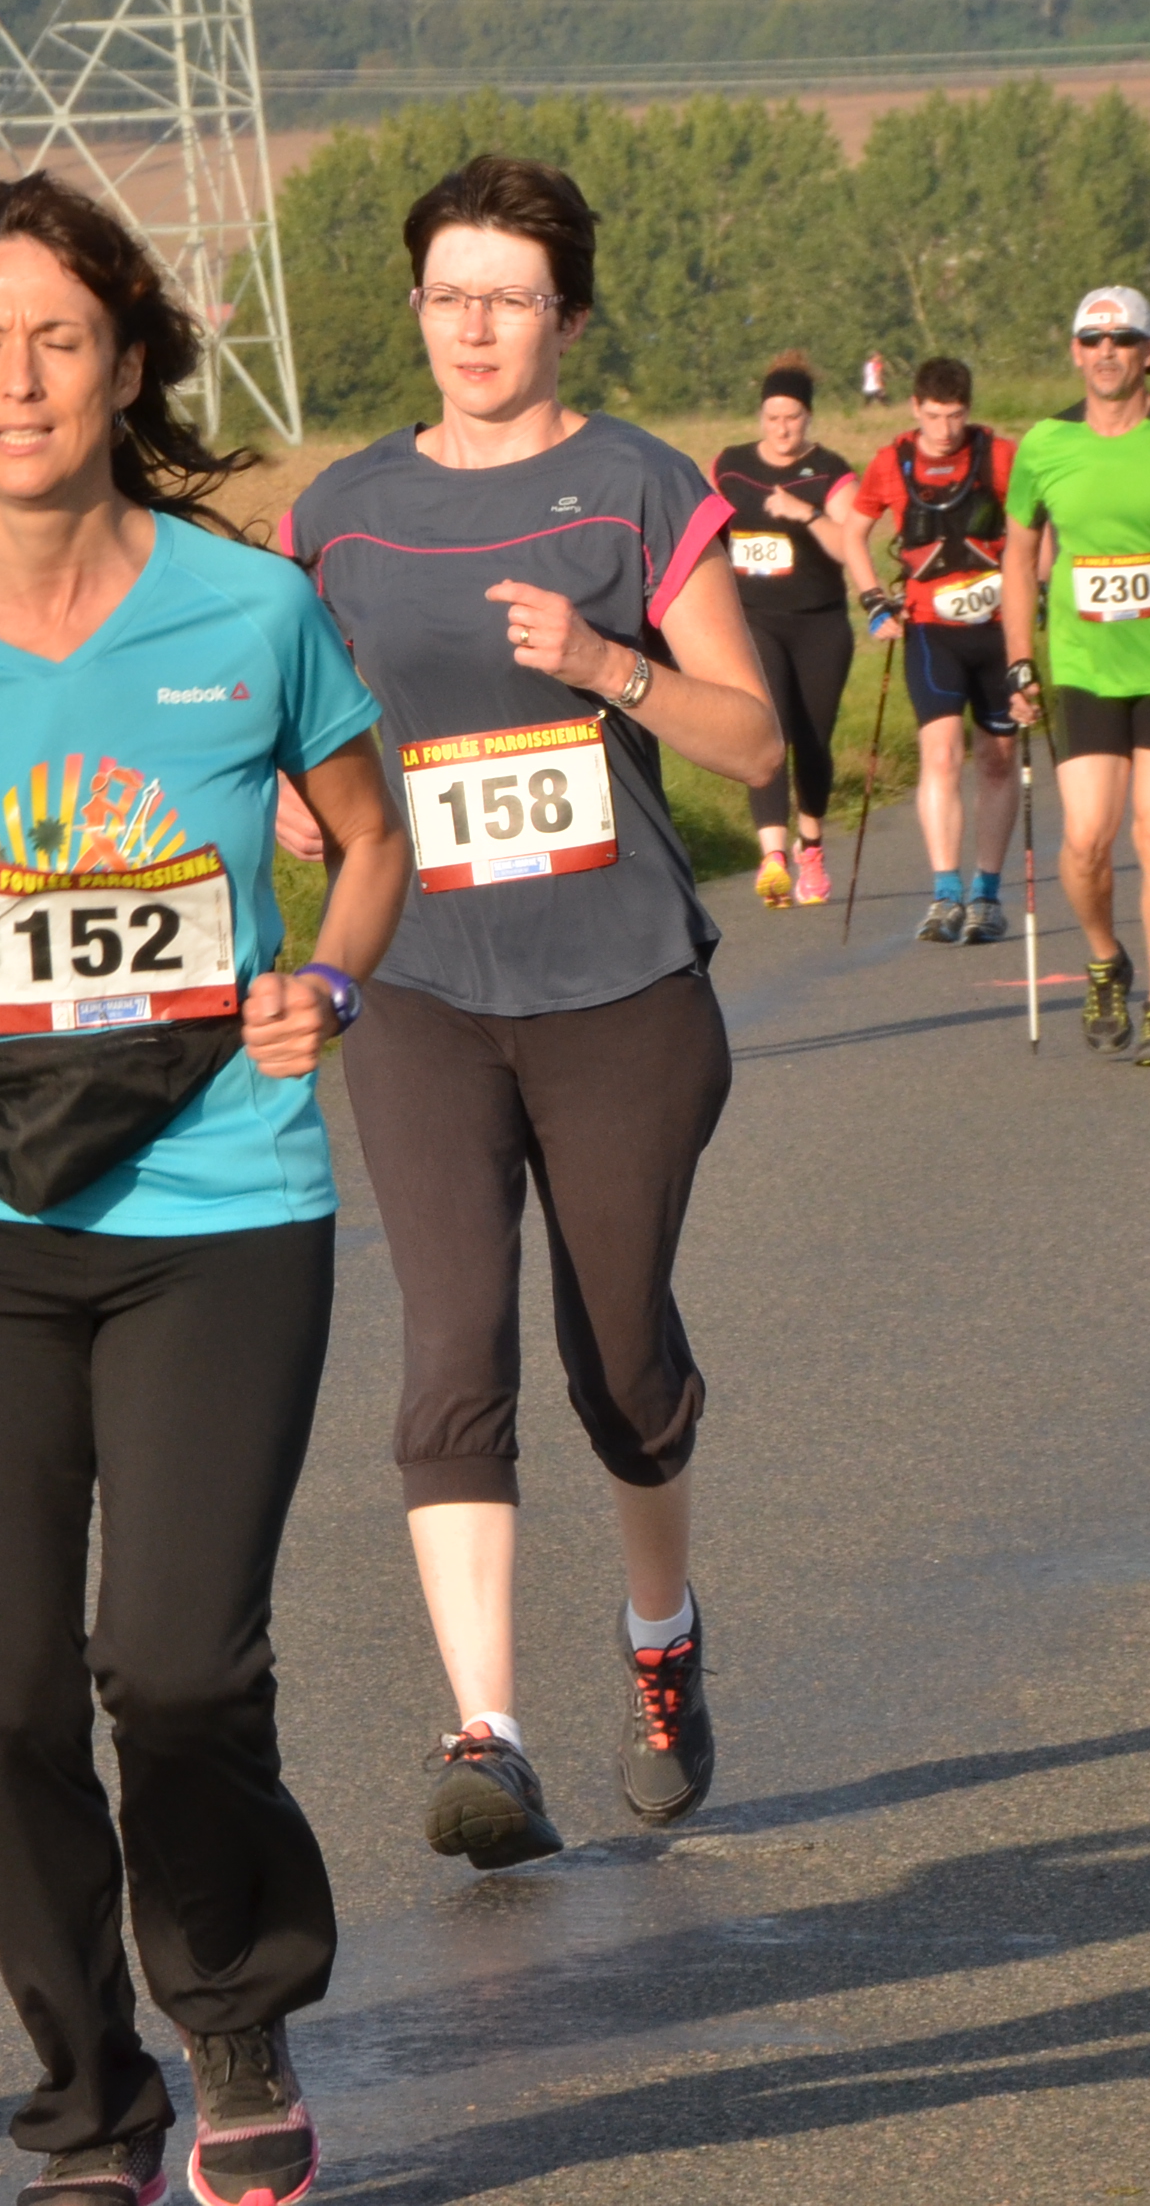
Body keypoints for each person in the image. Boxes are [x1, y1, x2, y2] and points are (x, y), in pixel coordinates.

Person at [0, 170, 403, 2206]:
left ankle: (235, 2004)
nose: (22, 379)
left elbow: (371, 843)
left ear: (127, 366)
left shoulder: (251, 612)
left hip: (222, 1197)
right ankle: (87, 2097)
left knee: (181, 1664)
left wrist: (326, 980)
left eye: (60, 338)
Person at [280, 153, 783, 1898]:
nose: (475, 326)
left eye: (508, 297)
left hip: (619, 990)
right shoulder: (340, 513)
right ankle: (485, 1733)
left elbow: (753, 740)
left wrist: (604, 665)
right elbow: (298, 731)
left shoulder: (638, 487)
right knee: (450, 1343)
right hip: (421, 985)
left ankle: (661, 1634)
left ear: (567, 315)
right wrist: (295, 803)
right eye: (448, 295)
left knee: (618, 1357)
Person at [1000, 286, 1150, 1068]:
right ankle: (1106, 959)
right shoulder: (1045, 445)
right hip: (1084, 668)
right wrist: (1019, 658)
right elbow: (1016, 559)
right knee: (1084, 841)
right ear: (1075, 352)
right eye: (1093, 339)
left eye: (1123, 338)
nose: (1107, 351)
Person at [829, 356, 1020, 943]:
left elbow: (1038, 527)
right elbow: (853, 533)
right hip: (931, 630)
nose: (944, 429)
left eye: (956, 415)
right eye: (934, 416)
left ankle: (987, 894)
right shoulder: (892, 462)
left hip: (997, 629)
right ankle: (945, 895)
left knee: (997, 759)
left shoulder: (1000, 456)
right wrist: (873, 601)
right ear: (915, 408)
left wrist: (1037, 588)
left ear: (969, 410)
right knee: (940, 755)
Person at [707, 360, 860, 907]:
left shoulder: (830, 472)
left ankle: (810, 847)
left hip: (820, 624)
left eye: (792, 417)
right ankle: (772, 857)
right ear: (761, 416)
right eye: (772, 417)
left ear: (808, 416)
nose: (781, 428)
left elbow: (850, 545)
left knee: (813, 741)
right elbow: (701, 530)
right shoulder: (731, 466)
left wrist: (807, 515)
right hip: (755, 621)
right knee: (766, 728)